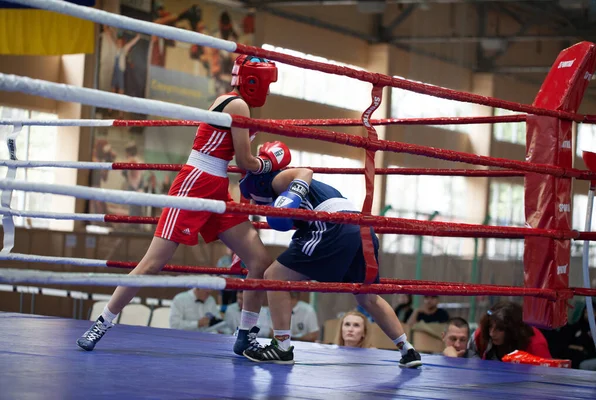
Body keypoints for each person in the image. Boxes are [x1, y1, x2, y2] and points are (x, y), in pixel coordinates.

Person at [76, 55, 288, 354]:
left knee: (259, 261)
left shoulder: (240, 106)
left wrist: (258, 163)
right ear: (255, 81)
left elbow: (238, 163)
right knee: (152, 263)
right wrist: (269, 164)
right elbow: (245, 161)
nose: (268, 90)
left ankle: (245, 334)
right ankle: (102, 322)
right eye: (267, 83)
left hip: (216, 187)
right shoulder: (237, 104)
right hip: (195, 183)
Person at [238, 166, 422, 367]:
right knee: (368, 297)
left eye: (254, 199)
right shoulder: (306, 193)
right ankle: (407, 349)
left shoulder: (278, 181)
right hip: (362, 229)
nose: (255, 205)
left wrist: (289, 196)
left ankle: (282, 347)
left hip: (334, 226)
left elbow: (305, 172)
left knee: (273, 275)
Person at [467, 301, 551, 361]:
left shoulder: (536, 345)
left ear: (512, 330)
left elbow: (545, 377)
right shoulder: (481, 335)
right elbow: (468, 355)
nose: (492, 333)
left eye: (499, 329)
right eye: (490, 326)